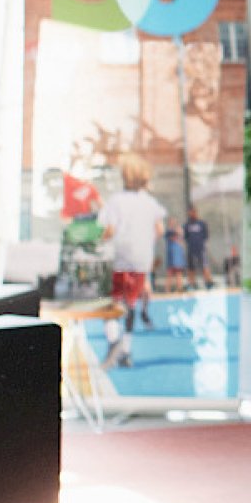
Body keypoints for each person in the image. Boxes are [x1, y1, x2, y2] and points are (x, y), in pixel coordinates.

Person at [96, 153, 167, 366]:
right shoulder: (151, 203)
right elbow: (159, 229)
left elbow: (109, 230)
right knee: (131, 304)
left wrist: (99, 241)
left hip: (118, 259)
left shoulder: (116, 202)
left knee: (110, 302)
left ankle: (113, 338)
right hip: (141, 260)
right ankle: (126, 351)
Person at [183, 205, 211, 289]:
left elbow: (206, 235)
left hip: (200, 248)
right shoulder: (187, 225)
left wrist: (201, 243)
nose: (192, 214)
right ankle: (192, 283)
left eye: (194, 212)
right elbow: (185, 237)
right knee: (191, 267)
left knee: (204, 265)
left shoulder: (201, 224)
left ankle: (208, 282)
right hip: (191, 249)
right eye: (191, 212)